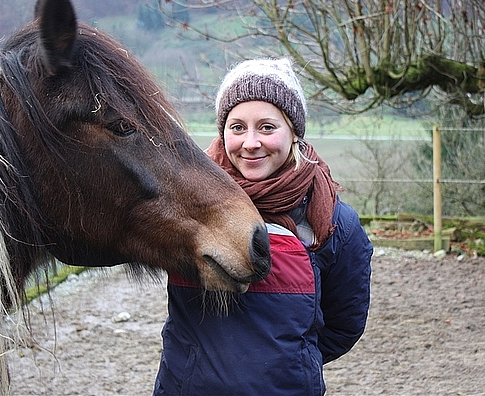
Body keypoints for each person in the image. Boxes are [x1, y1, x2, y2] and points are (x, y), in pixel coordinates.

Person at [153, 57, 373, 396]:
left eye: (267, 127)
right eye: (237, 127)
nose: (250, 142)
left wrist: (289, 362)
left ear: (294, 132)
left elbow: (343, 325)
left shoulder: (333, 225)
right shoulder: (185, 206)